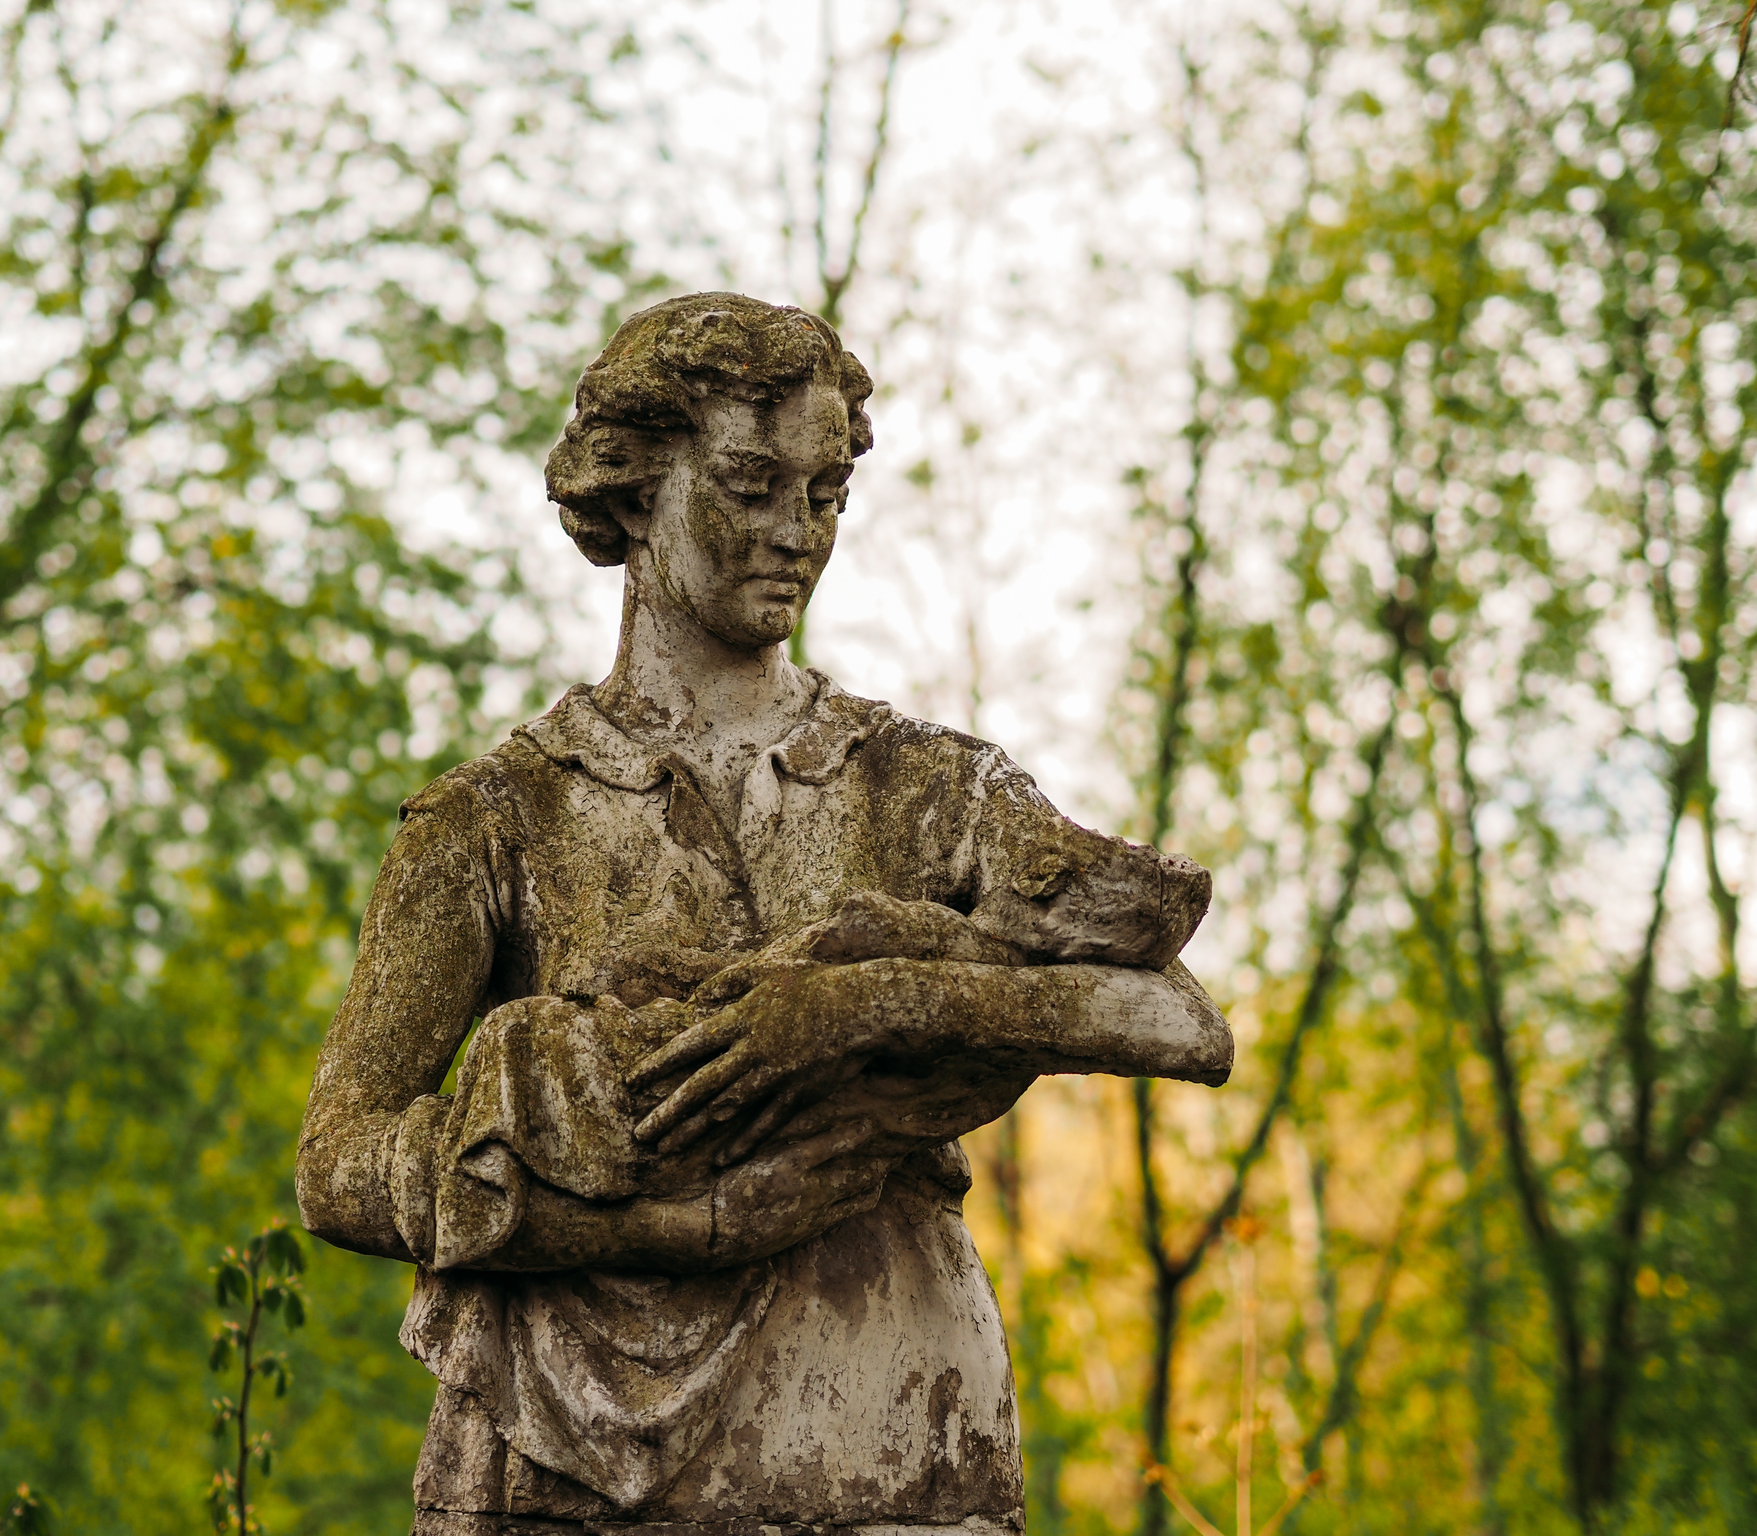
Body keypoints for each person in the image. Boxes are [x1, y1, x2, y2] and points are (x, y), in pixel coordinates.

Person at [295, 292, 1231, 1534]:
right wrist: (660, 1221)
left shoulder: (926, 784)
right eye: (748, 486)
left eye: (826, 493)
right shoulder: (498, 816)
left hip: (890, 1416)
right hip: (571, 1445)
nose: (795, 531)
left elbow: (1179, 1024)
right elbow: (336, 1163)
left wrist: (854, 1008)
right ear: (633, 490)